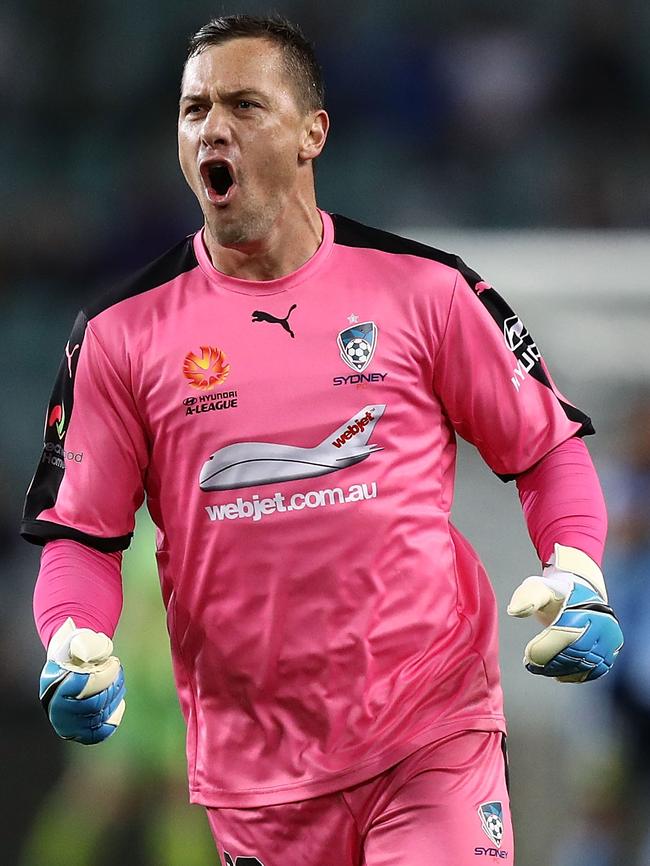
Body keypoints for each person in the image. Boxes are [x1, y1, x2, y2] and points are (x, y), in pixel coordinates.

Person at [22, 15, 623, 866]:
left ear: (314, 133)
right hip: (256, 776)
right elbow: (82, 533)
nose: (212, 129)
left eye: (243, 104)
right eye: (194, 110)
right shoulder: (120, 335)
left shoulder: (431, 291)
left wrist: (580, 571)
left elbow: (546, 448)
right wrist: (70, 640)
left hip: (429, 735)